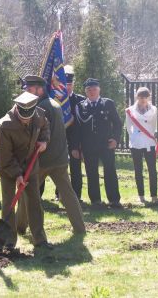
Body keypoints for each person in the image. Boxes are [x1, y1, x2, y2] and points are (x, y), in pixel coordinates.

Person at [16, 75, 86, 234]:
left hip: (42, 160)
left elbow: (35, 135)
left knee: (26, 193)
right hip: (59, 158)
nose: (26, 91)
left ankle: (19, 227)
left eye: (29, 89)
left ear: (39, 89)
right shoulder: (54, 104)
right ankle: (80, 227)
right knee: (68, 194)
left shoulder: (41, 107)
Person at [0, 91, 51, 250]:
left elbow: (46, 126)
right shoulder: (3, 126)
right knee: (8, 203)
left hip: (31, 165)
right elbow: (5, 158)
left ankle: (40, 239)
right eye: (22, 117)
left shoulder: (38, 115)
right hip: (7, 168)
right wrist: (18, 175)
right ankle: (9, 241)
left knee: (34, 201)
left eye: (29, 117)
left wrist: (44, 141)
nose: (25, 120)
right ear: (17, 109)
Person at [75, 78, 122, 207]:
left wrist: (116, 139)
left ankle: (114, 200)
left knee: (110, 172)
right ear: (85, 91)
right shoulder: (80, 106)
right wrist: (76, 147)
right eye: (89, 90)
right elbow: (77, 129)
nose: (92, 92)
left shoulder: (108, 104)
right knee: (91, 173)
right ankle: (95, 200)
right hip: (88, 146)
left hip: (106, 144)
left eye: (94, 89)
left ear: (99, 90)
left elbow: (118, 123)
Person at [125, 87, 158, 204]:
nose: (143, 99)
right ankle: (141, 196)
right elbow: (129, 127)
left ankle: (154, 196)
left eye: (145, 97)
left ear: (148, 97)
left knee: (152, 169)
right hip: (136, 143)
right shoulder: (130, 110)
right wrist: (134, 138)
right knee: (138, 170)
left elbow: (154, 126)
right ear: (137, 97)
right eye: (141, 97)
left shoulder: (154, 109)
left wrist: (152, 136)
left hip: (149, 142)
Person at [65, 65, 86, 202]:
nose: (67, 87)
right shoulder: (56, 99)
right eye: (65, 84)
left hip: (75, 139)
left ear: (73, 85)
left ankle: (76, 195)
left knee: (76, 169)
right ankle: (59, 193)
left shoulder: (80, 100)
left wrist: (79, 144)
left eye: (70, 84)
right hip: (59, 138)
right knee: (59, 169)